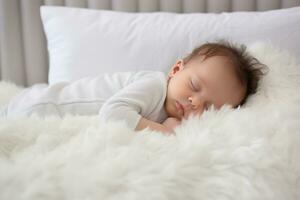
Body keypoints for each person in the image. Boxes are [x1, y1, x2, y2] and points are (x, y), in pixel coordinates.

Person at [1, 41, 265, 134]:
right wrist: (164, 132)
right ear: (175, 71)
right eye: (194, 85)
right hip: (40, 106)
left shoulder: (172, 113)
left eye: (208, 107)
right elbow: (113, 113)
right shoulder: (154, 85)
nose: (195, 102)